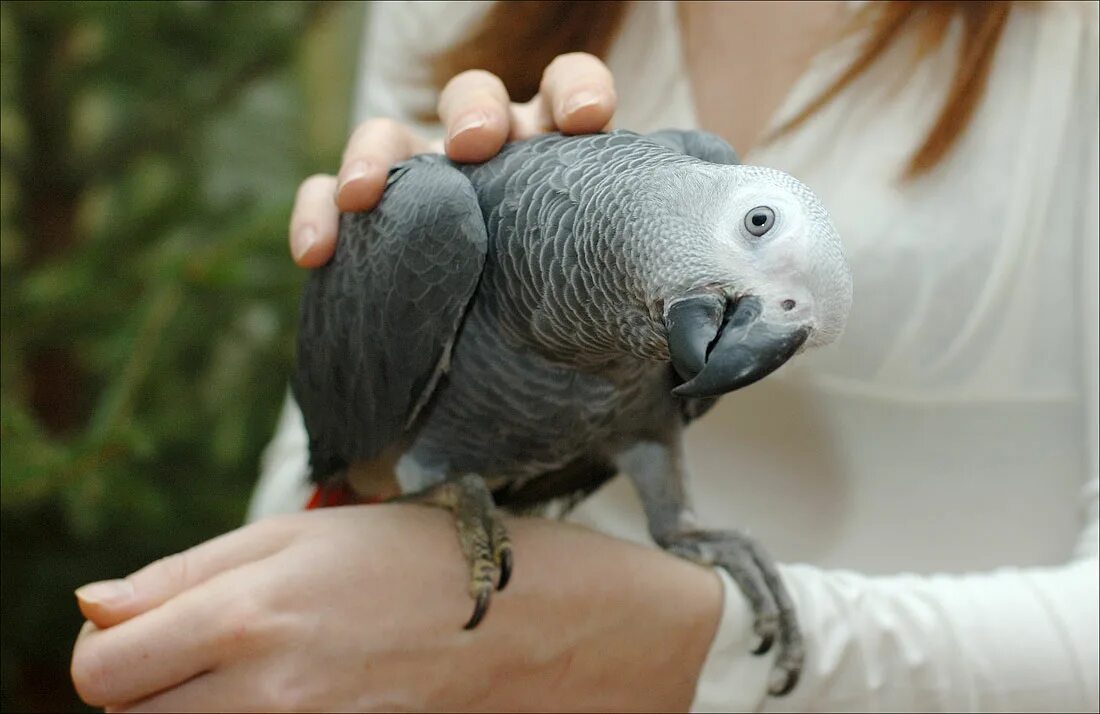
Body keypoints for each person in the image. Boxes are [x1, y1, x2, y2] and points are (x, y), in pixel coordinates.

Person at [71, 1, 1099, 711]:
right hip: (428, 628)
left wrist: (694, 644)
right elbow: (346, 428)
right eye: (750, 231)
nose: (761, 321)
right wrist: (283, 639)